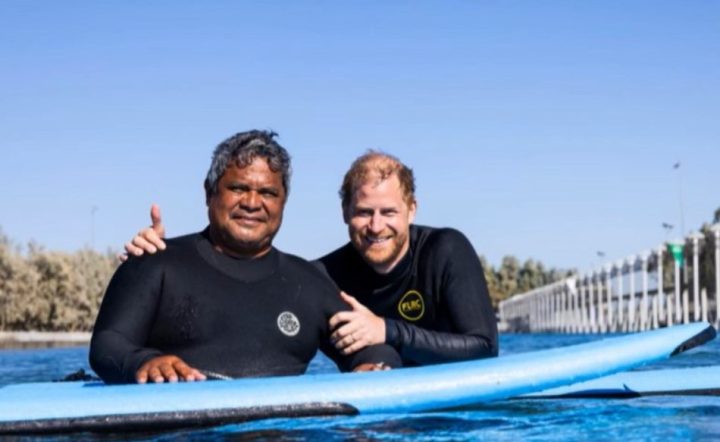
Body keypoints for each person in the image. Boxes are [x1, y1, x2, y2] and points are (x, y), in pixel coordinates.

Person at [124, 151, 498, 368]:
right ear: (344, 212)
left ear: (412, 210)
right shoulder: (324, 275)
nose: (376, 226)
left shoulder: (446, 250)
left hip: (461, 410)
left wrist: (387, 330)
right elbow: (245, 289)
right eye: (364, 212)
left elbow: (484, 347)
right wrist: (164, 258)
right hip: (386, 409)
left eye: (389, 212)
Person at [90, 131, 400, 385]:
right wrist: (144, 363)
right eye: (238, 188)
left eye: (267, 193)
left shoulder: (308, 282)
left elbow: (373, 350)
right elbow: (107, 345)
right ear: (209, 193)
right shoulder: (155, 262)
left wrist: (372, 367)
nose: (252, 203)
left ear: (283, 202)